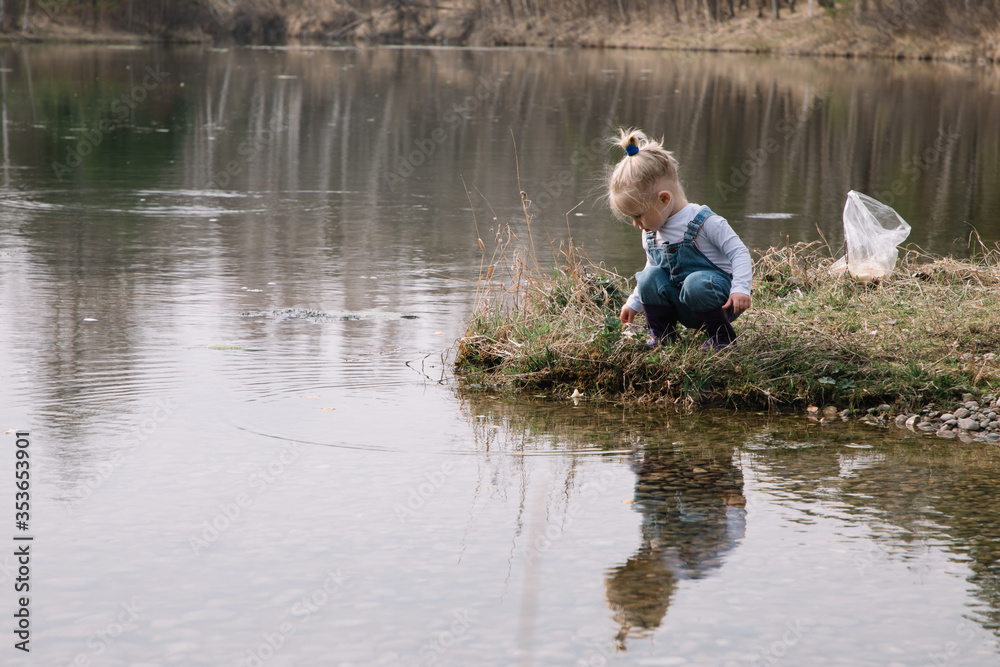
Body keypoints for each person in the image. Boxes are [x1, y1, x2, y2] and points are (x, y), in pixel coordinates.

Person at [608, 128, 752, 349]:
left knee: (696, 283)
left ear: (664, 199)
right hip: (682, 304)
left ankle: (722, 337)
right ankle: (663, 336)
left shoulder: (705, 222)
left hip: (720, 302)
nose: (636, 224)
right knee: (648, 276)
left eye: (638, 215)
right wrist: (633, 303)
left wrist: (740, 289)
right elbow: (653, 268)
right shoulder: (651, 233)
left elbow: (739, 252)